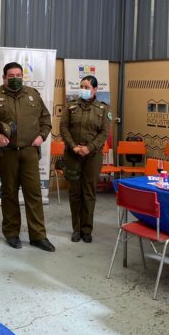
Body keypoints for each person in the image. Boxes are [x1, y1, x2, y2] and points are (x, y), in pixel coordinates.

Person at [0, 62, 55, 252]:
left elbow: (45, 119)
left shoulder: (33, 95)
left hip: (29, 151)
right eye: (11, 76)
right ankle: (11, 233)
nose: (15, 78)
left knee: (33, 193)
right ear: (4, 78)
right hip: (7, 153)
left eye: (19, 75)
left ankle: (38, 236)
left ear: (22, 76)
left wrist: (41, 136)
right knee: (9, 193)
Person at [60, 75, 112, 243]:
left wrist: (89, 148)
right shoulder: (71, 106)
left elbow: (104, 133)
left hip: (93, 156)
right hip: (72, 154)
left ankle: (87, 230)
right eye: (81, 86)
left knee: (89, 193)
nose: (83, 89)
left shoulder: (103, 109)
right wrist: (74, 146)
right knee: (75, 192)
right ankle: (76, 229)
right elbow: (63, 128)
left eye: (87, 87)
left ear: (95, 90)